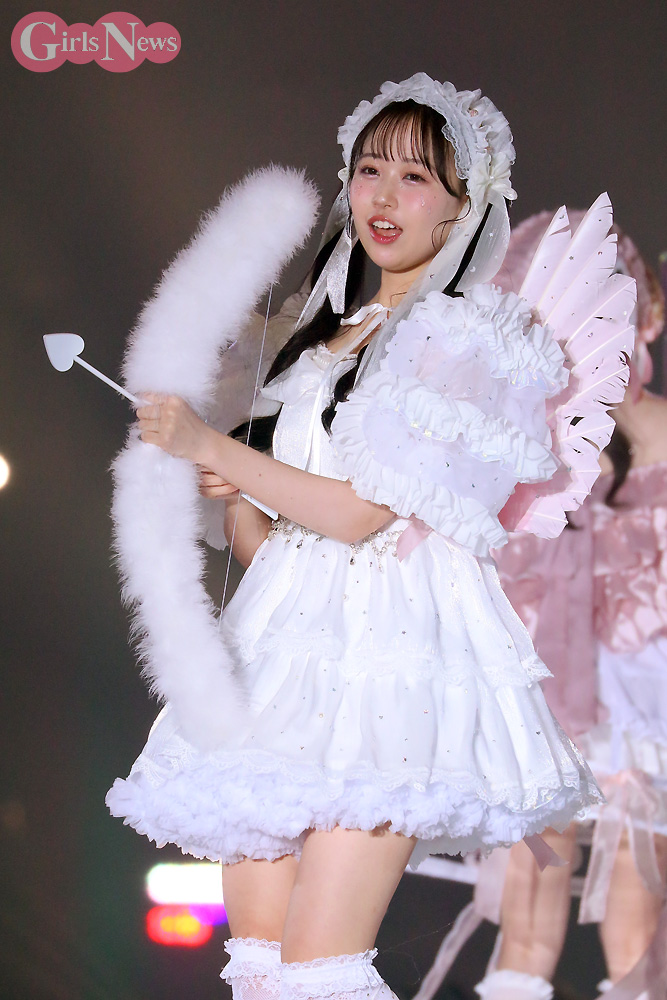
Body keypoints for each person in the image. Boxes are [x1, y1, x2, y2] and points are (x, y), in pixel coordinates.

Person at [106, 75, 609, 1000]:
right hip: (284, 660)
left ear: (463, 203)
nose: (382, 195)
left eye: (414, 177)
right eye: (369, 169)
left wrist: (213, 446)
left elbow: (360, 515)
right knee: (260, 969)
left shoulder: (470, 338)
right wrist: (236, 493)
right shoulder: (321, 341)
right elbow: (281, 554)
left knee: (319, 969)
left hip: (391, 670)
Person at [473, 216, 667, 1000]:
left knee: (597, 890)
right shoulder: (533, 441)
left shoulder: (537, 437)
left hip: (614, 685)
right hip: (575, 676)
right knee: (576, 887)